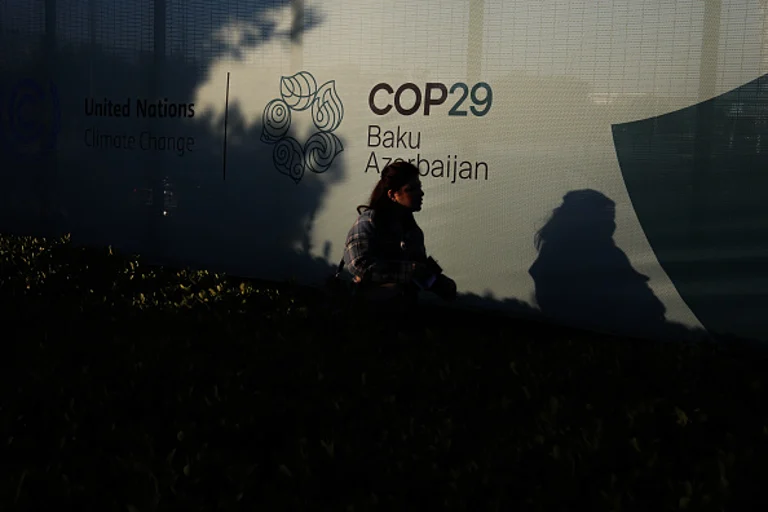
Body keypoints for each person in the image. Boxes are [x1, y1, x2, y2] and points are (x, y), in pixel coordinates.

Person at [342, 161, 457, 314]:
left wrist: (439, 283)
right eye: (412, 189)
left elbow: (418, 272)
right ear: (392, 195)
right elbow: (358, 264)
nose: (421, 193)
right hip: (367, 317)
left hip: (403, 316)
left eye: (420, 187)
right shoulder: (369, 222)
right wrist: (409, 271)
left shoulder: (413, 231)